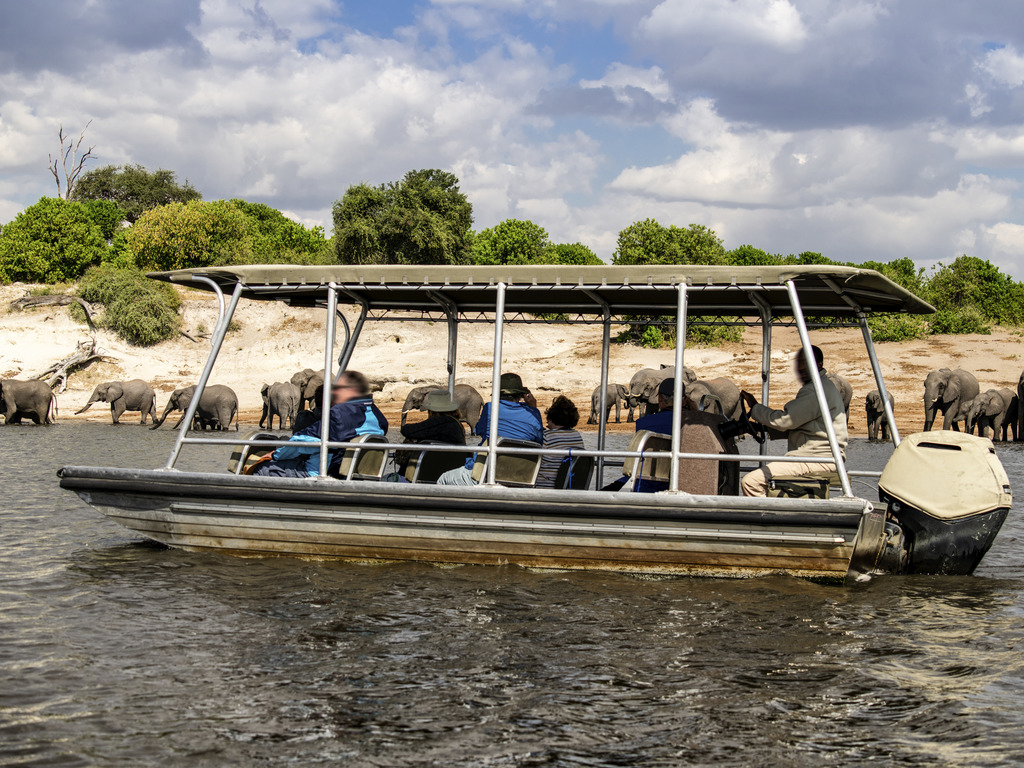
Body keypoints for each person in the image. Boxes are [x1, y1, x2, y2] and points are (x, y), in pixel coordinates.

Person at [739, 346, 848, 497]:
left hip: (815, 459)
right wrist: (758, 428)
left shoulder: (816, 390)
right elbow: (802, 427)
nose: (801, 367)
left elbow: (785, 421)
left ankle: (770, 519)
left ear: (819, 364)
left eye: (806, 362)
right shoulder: (822, 386)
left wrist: (755, 407)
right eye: (799, 363)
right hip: (819, 457)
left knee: (751, 482)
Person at [252, 370, 388, 478]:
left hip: (325, 473)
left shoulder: (339, 415)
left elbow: (302, 443)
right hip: (356, 474)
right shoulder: (376, 415)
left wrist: (275, 454)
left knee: (262, 468)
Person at [436, 372, 543, 485]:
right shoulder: (533, 413)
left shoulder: (490, 409)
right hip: (519, 477)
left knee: (443, 479)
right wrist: (533, 408)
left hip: (485, 474)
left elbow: (479, 431)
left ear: (498, 393)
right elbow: (539, 441)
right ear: (521, 395)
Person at [602, 378, 694, 493]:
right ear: (684, 401)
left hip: (642, 484)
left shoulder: (644, 423)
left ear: (660, 399)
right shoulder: (692, 424)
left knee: (599, 495)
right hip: (676, 484)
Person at [395, 389, 466, 475]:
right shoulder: (457, 424)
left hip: (429, 472)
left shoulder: (438, 422)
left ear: (432, 409)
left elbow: (406, 430)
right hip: (450, 471)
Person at [535, 395, 585, 489]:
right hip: (568, 488)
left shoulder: (546, 436)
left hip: (545, 489)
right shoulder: (577, 436)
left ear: (551, 418)